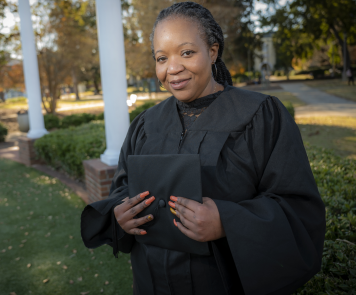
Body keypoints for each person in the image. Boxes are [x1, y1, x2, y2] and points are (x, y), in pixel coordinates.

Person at [81, 2, 326, 294]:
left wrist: (228, 222)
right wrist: (119, 216)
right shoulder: (146, 125)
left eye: (187, 52)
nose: (172, 68)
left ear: (213, 51)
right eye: (161, 58)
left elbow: (299, 209)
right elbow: (123, 192)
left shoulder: (260, 115)